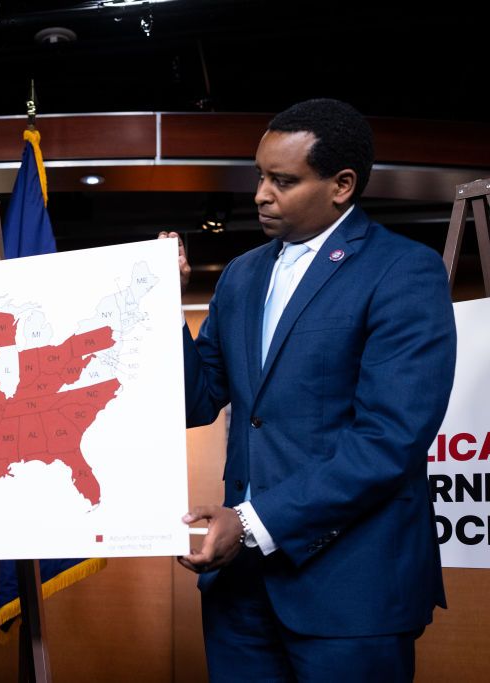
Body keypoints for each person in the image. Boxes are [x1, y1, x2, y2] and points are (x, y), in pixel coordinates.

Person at [169, 99, 456, 681]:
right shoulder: (241, 274)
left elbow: (388, 441)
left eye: (283, 180)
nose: (260, 194)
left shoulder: (405, 272)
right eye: (259, 175)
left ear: (342, 185)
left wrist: (250, 521)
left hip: (352, 592)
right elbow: (195, 400)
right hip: (239, 595)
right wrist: (161, 308)